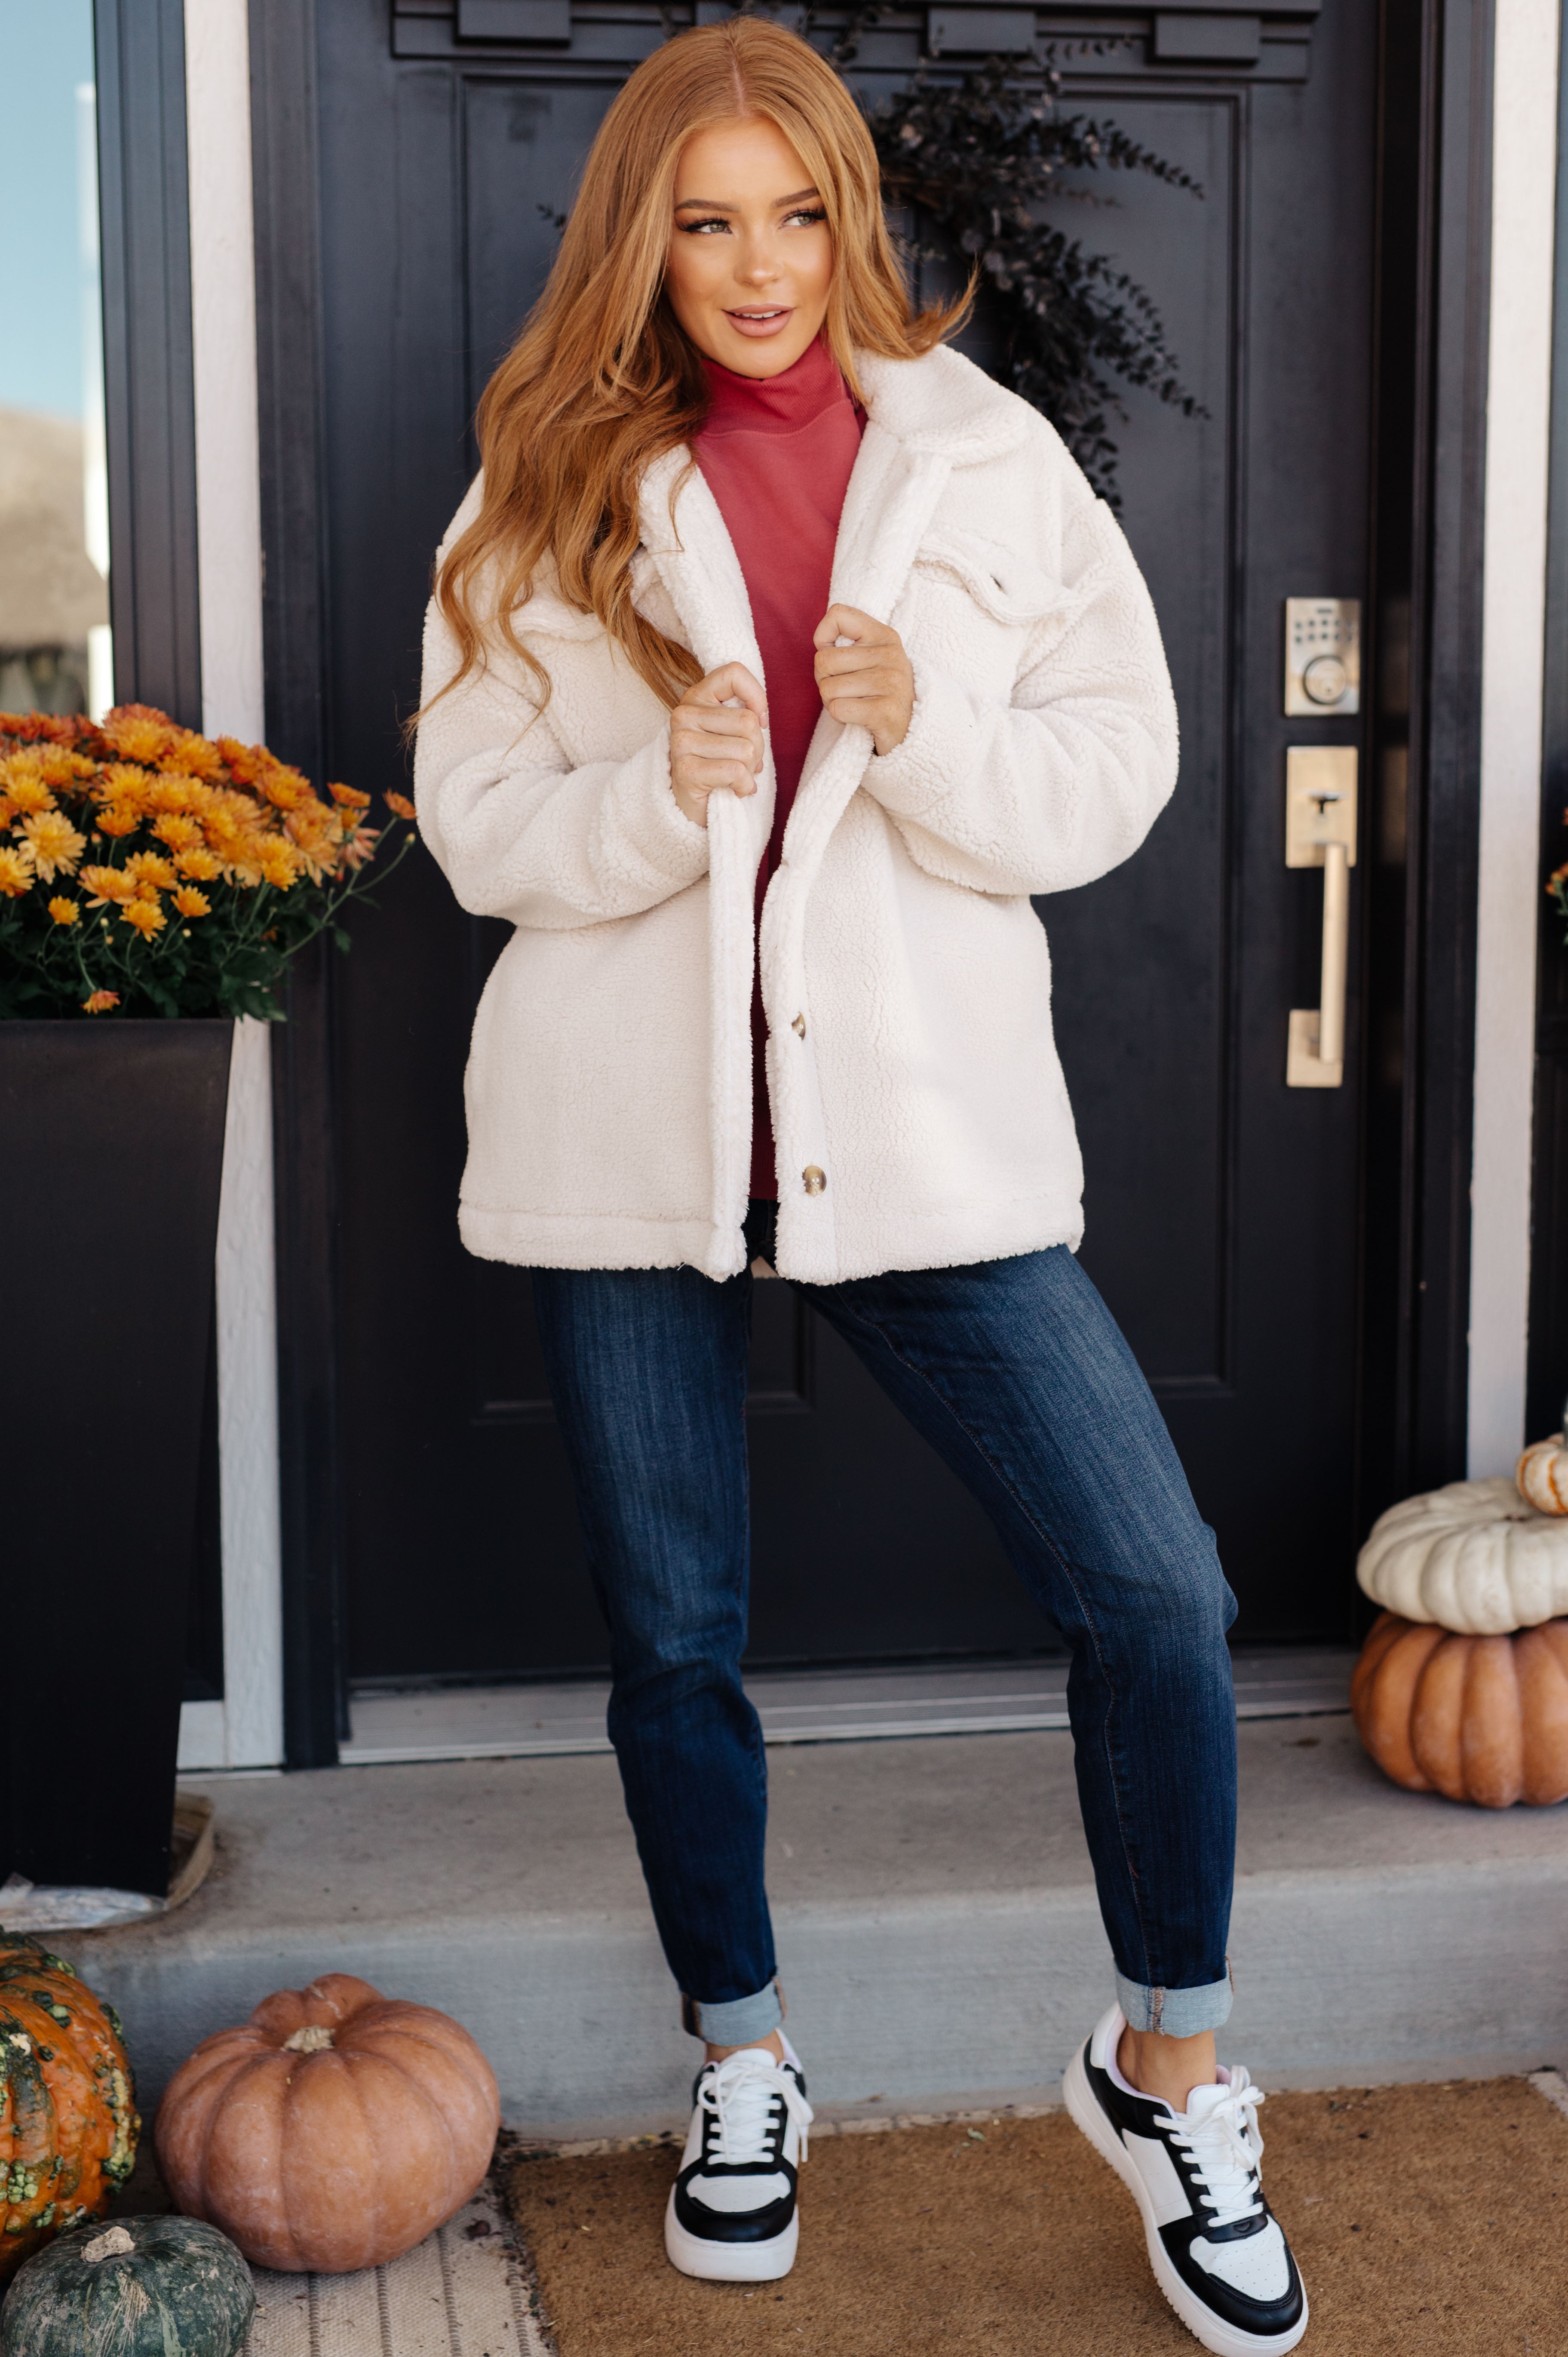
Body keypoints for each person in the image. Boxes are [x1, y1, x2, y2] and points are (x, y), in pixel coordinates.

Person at [413, 17, 1306, 2352]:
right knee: (676, 1638)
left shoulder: (987, 459)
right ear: (644, 238)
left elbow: (1120, 766)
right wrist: (653, 799)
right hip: (632, 1148)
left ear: (852, 215)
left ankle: (1170, 2066)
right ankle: (746, 2057)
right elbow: (473, 811)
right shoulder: (543, 484)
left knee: (1157, 1592)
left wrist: (929, 740)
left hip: (917, 1139)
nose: (757, 265)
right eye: (703, 222)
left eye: (794, 211)